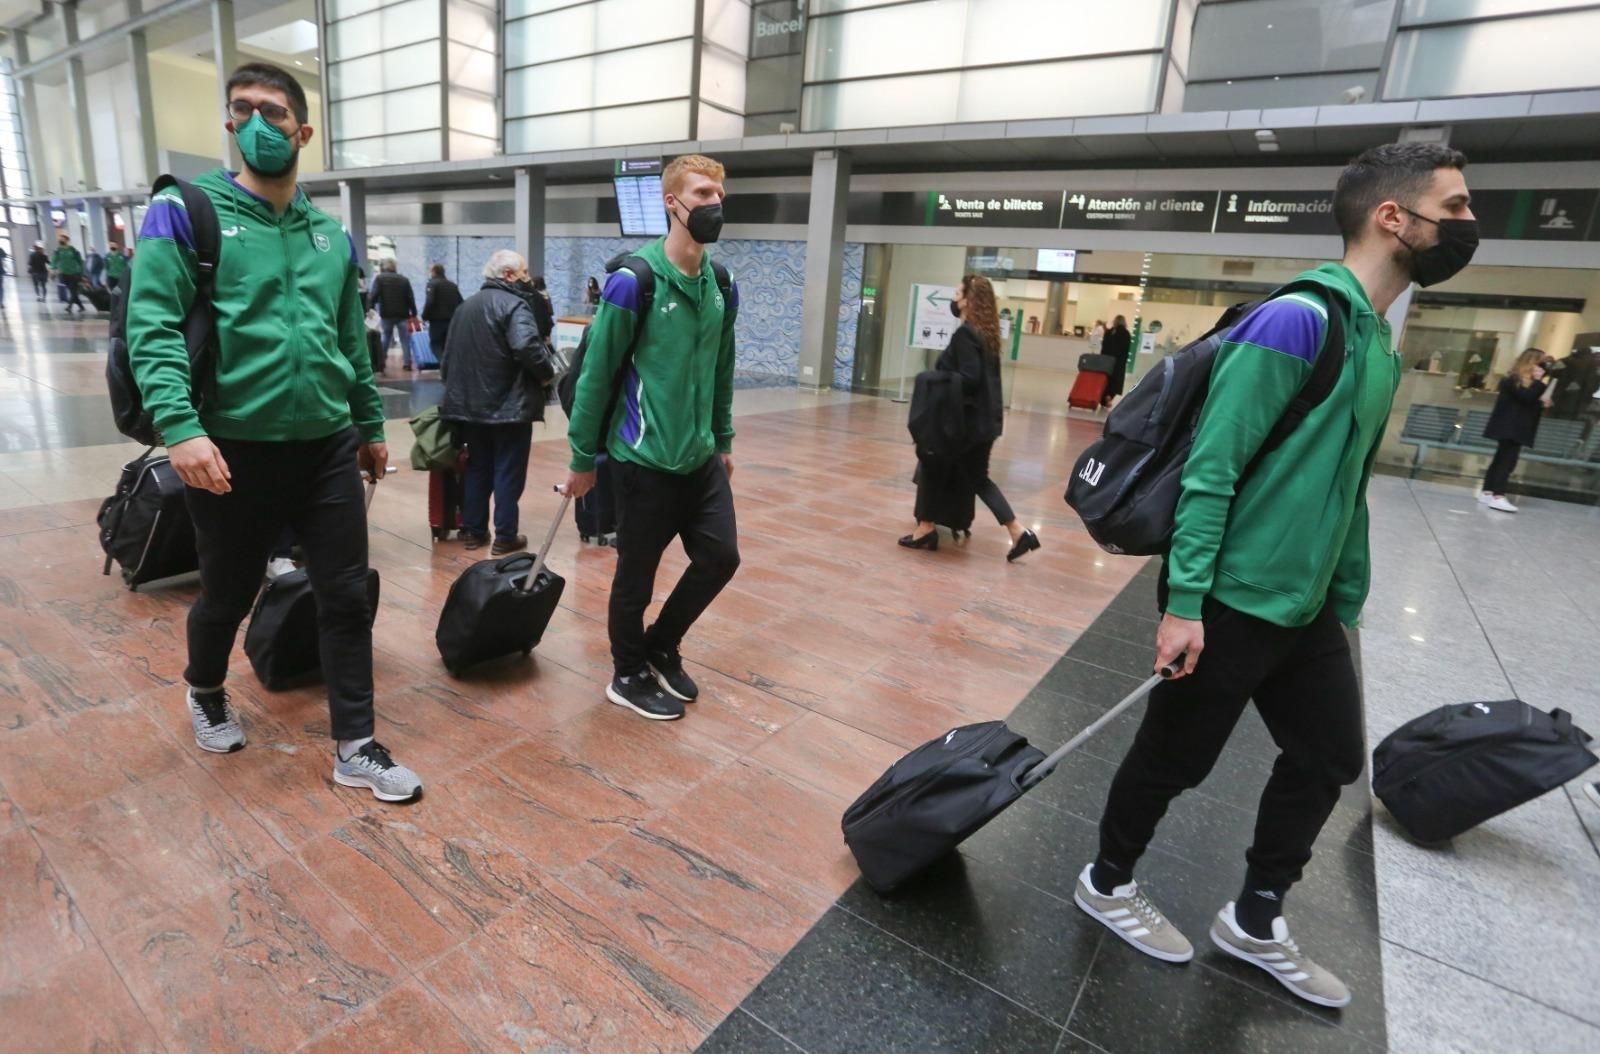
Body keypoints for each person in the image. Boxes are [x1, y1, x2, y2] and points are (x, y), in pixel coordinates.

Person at [1073, 142, 1476, 1010]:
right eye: (1456, 207)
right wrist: (1184, 605)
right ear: (1392, 217)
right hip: (1227, 599)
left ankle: (1254, 919)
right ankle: (1107, 880)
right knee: (1175, 761)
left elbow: (1347, 484)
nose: (1468, 225)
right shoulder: (1298, 320)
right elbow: (1213, 469)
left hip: (1304, 608)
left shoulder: (1377, 339)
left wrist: (1346, 596)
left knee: (1329, 757)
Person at [126, 62, 421, 802]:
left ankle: (357, 744)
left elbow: (349, 341)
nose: (258, 122)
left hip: (324, 446)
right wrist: (181, 428)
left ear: (303, 130)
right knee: (225, 593)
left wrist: (367, 424)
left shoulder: (330, 235)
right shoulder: (184, 210)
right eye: (242, 109)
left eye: (275, 111)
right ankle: (205, 687)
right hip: (230, 447)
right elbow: (153, 327)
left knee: (346, 596)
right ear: (229, 123)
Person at [564, 153, 740, 723]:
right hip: (643, 461)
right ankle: (627, 673)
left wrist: (724, 437)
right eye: (702, 193)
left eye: (718, 194)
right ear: (673, 202)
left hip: (700, 458)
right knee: (634, 580)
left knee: (720, 557)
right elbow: (595, 376)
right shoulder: (631, 282)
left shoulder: (721, 283)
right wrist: (582, 457)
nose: (713, 203)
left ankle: (660, 645)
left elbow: (721, 366)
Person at [899, 274, 1040, 562]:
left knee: (931, 465)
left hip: (966, 425)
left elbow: (969, 379)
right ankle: (1018, 532)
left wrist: (933, 378)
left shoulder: (966, 333)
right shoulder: (986, 333)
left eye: (957, 293)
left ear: (968, 300)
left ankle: (925, 530)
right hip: (984, 424)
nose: (953, 298)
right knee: (977, 479)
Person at [439, 250, 553, 555]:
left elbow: (446, 362)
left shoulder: (465, 308)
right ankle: (505, 535)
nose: (528, 278)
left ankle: (474, 532)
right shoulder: (515, 305)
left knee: (477, 468)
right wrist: (546, 375)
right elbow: (528, 345)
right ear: (508, 275)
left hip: (470, 409)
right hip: (510, 409)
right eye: (524, 272)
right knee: (508, 471)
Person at [1478, 349, 1552, 514]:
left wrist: (1540, 403)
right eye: (1540, 363)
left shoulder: (1519, 380)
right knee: (1507, 461)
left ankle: (1488, 491)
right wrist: (1539, 383)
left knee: (1500, 458)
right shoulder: (1513, 380)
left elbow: (1526, 402)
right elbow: (1525, 398)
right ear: (1531, 363)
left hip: (1512, 426)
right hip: (1510, 427)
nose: (1543, 367)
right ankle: (1498, 495)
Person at [369, 258, 417, 371]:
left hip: (387, 314)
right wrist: (414, 312)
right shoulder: (404, 280)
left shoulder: (380, 278)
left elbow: (374, 295)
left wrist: (370, 308)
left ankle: (381, 363)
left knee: (386, 337)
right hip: (403, 314)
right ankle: (407, 363)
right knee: (404, 339)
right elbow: (410, 297)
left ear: (384, 268)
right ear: (394, 267)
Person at [421, 263, 463, 366]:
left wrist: (424, 317)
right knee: (447, 345)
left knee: (435, 344)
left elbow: (430, 302)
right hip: (451, 320)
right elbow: (461, 302)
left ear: (434, 272)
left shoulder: (432, 284)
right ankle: (449, 368)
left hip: (437, 321)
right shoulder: (452, 285)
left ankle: (444, 366)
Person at [1101, 315, 1132, 408]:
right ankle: (1109, 397)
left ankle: (1103, 398)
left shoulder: (1109, 332)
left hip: (1106, 360)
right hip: (1119, 362)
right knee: (1116, 381)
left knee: (1105, 379)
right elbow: (1126, 349)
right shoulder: (1126, 333)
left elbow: (1103, 346)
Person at [50, 234, 86, 313]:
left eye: (63, 239)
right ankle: (81, 306)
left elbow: (79, 261)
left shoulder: (72, 249)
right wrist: (53, 269)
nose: (61, 240)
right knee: (71, 290)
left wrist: (82, 272)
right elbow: (54, 261)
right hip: (63, 273)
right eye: (60, 239)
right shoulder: (57, 250)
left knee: (73, 290)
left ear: (67, 240)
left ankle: (69, 306)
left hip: (74, 273)